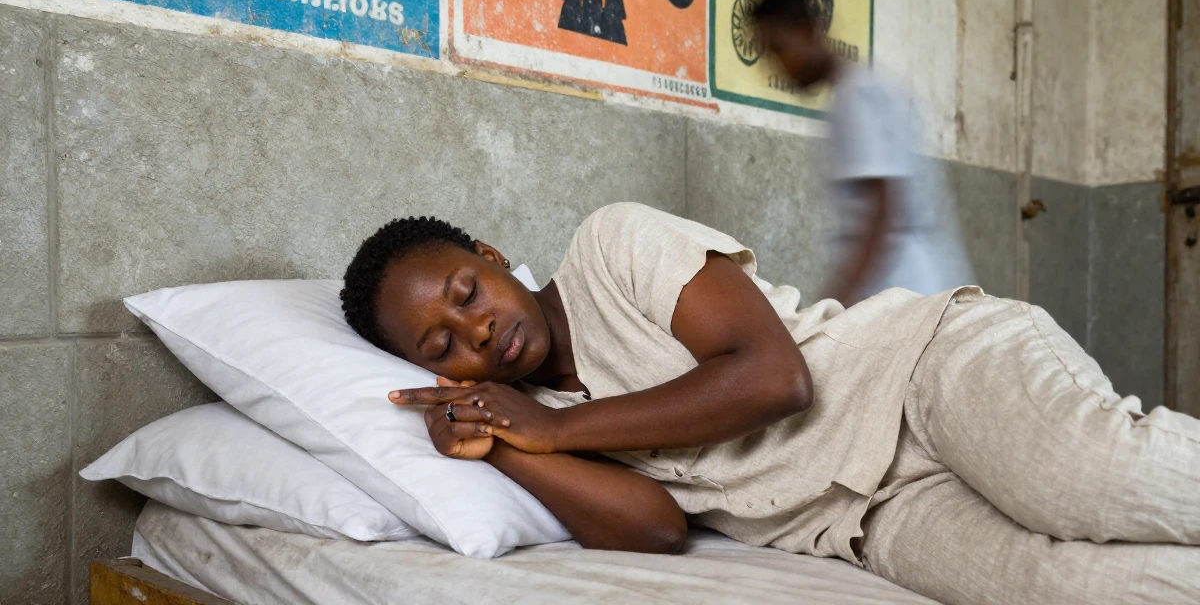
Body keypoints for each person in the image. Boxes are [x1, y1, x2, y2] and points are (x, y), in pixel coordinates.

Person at [340, 202, 1199, 605]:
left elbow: (770, 376)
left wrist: (559, 425)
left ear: (492, 256)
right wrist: (507, 441)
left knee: (1086, 482)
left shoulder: (610, 248)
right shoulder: (538, 425)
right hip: (865, 519)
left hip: (922, 374)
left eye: (466, 292)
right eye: (441, 347)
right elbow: (654, 529)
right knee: (1068, 586)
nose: (476, 332)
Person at [752, 0, 975, 305]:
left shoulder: (853, 97)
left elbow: (882, 214)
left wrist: (834, 303)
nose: (778, 66)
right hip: (916, 283)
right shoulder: (869, 86)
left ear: (806, 32)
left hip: (903, 288)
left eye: (779, 49)